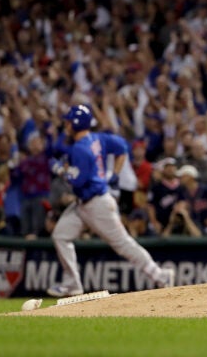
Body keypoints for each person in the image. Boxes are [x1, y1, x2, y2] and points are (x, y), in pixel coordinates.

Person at [47, 104, 175, 297]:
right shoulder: (98, 138)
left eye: (67, 121)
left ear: (75, 123)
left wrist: (59, 169)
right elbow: (123, 147)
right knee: (61, 235)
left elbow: (78, 180)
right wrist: (114, 173)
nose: (65, 125)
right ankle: (72, 284)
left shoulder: (80, 149)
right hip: (84, 204)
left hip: (97, 204)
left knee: (122, 243)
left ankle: (160, 275)